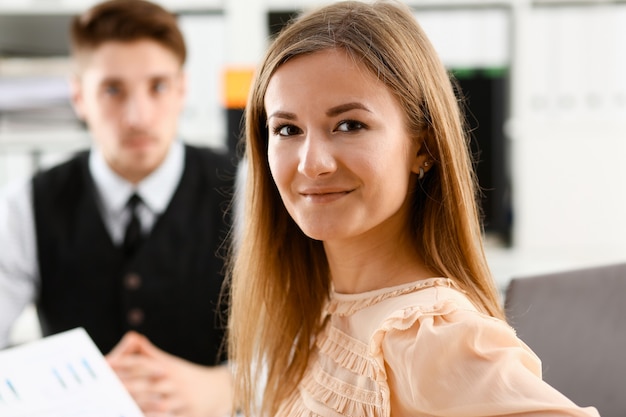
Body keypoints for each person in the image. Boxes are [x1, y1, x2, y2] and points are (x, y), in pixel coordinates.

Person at [227, 1, 600, 416]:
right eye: (287, 129)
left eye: (349, 125)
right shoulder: (325, 307)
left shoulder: (432, 337)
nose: (312, 163)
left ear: (422, 146)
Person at [0, 1, 234, 416]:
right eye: (112, 90)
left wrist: (228, 387)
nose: (137, 116)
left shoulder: (247, 190)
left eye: (158, 86)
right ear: (78, 96)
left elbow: (308, 348)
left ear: (182, 90)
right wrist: (58, 389)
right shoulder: (26, 204)